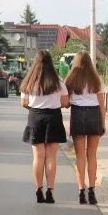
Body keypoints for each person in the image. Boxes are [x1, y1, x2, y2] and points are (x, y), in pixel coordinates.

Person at [20, 50, 70, 204]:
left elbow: (24, 103)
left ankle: (38, 190)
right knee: (51, 157)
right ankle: (50, 191)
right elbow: (65, 102)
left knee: (38, 157)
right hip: (53, 117)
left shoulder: (29, 81)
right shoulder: (58, 82)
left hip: (35, 117)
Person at [64, 51, 105, 205]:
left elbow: (67, 103)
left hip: (78, 114)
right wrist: (103, 122)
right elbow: (101, 103)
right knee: (92, 155)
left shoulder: (71, 79)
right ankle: (92, 190)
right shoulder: (96, 79)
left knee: (80, 155)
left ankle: (81, 190)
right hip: (94, 114)